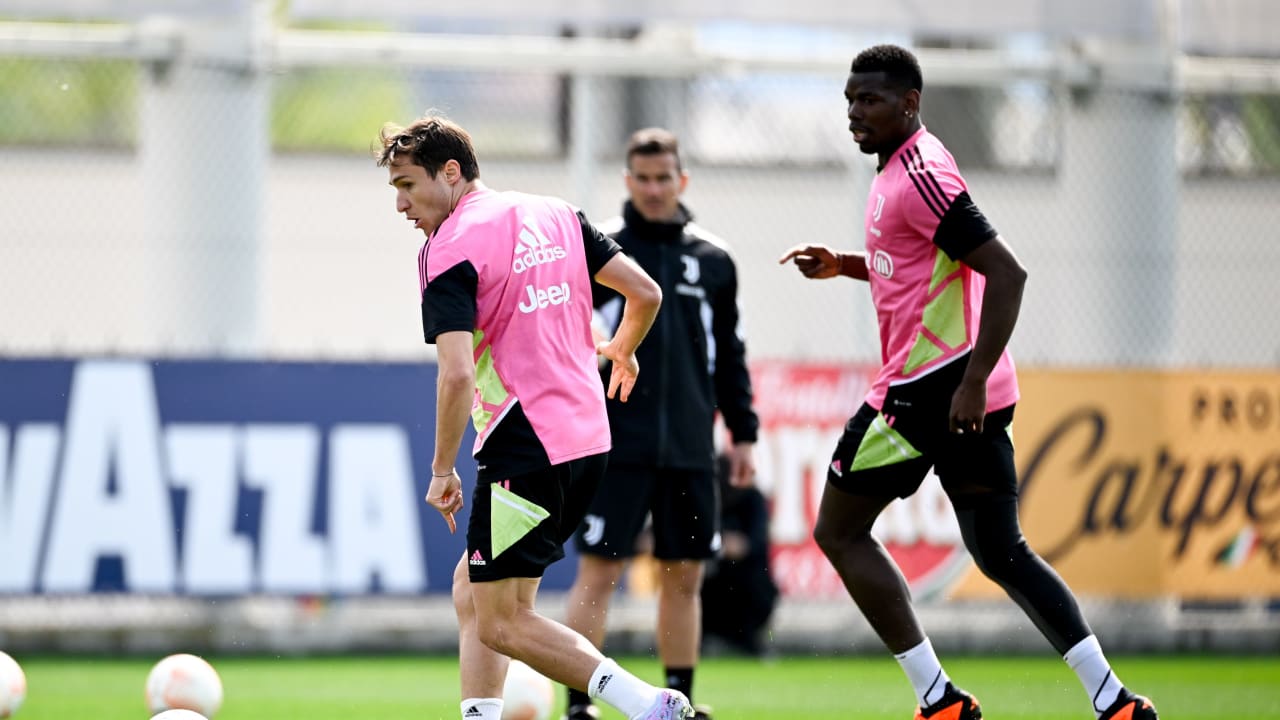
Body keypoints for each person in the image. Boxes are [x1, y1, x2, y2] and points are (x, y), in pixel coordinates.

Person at [779, 45, 1159, 720]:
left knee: (839, 532)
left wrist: (972, 380)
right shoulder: (901, 169)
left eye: (868, 100)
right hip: (958, 391)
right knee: (1000, 550)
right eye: (849, 101)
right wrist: (846, 265)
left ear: (910, 102)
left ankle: (938, 698)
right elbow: (919, 267)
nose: (854, 114)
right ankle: (1114, 701)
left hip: (926, 392)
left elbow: (1007, 272)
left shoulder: (921, 173)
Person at [377, 113, 694, 720]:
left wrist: (443, 469)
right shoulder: (558, 213)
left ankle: (647, 704)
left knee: (501, 622)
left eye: (407, 185)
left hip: (524, 443)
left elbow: (457, 374)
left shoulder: (446, 250)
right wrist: (622, 349)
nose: (401, 203)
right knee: (476, 593)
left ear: (450, 173)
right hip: (588, 439)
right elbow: (645, 293)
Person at [563, 127, 760, 720]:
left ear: (682, 180)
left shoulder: (714, 261)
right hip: (612, 446)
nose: (653, 189)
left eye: (663, 177)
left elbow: (731, 354)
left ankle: (680, 701)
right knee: (600, 572)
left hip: (690, 449)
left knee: (682, 579)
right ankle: (579, 705)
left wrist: (743, 433)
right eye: (642, 178)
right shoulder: (599, 253)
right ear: (627, 181)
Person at [700, 453, 778, 657]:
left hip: (746, 585)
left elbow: (749, 545)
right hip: (713, 585)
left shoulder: (752, 500)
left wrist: (719, 544)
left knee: (756, 585)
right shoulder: (706, 501)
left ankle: (748, 640)